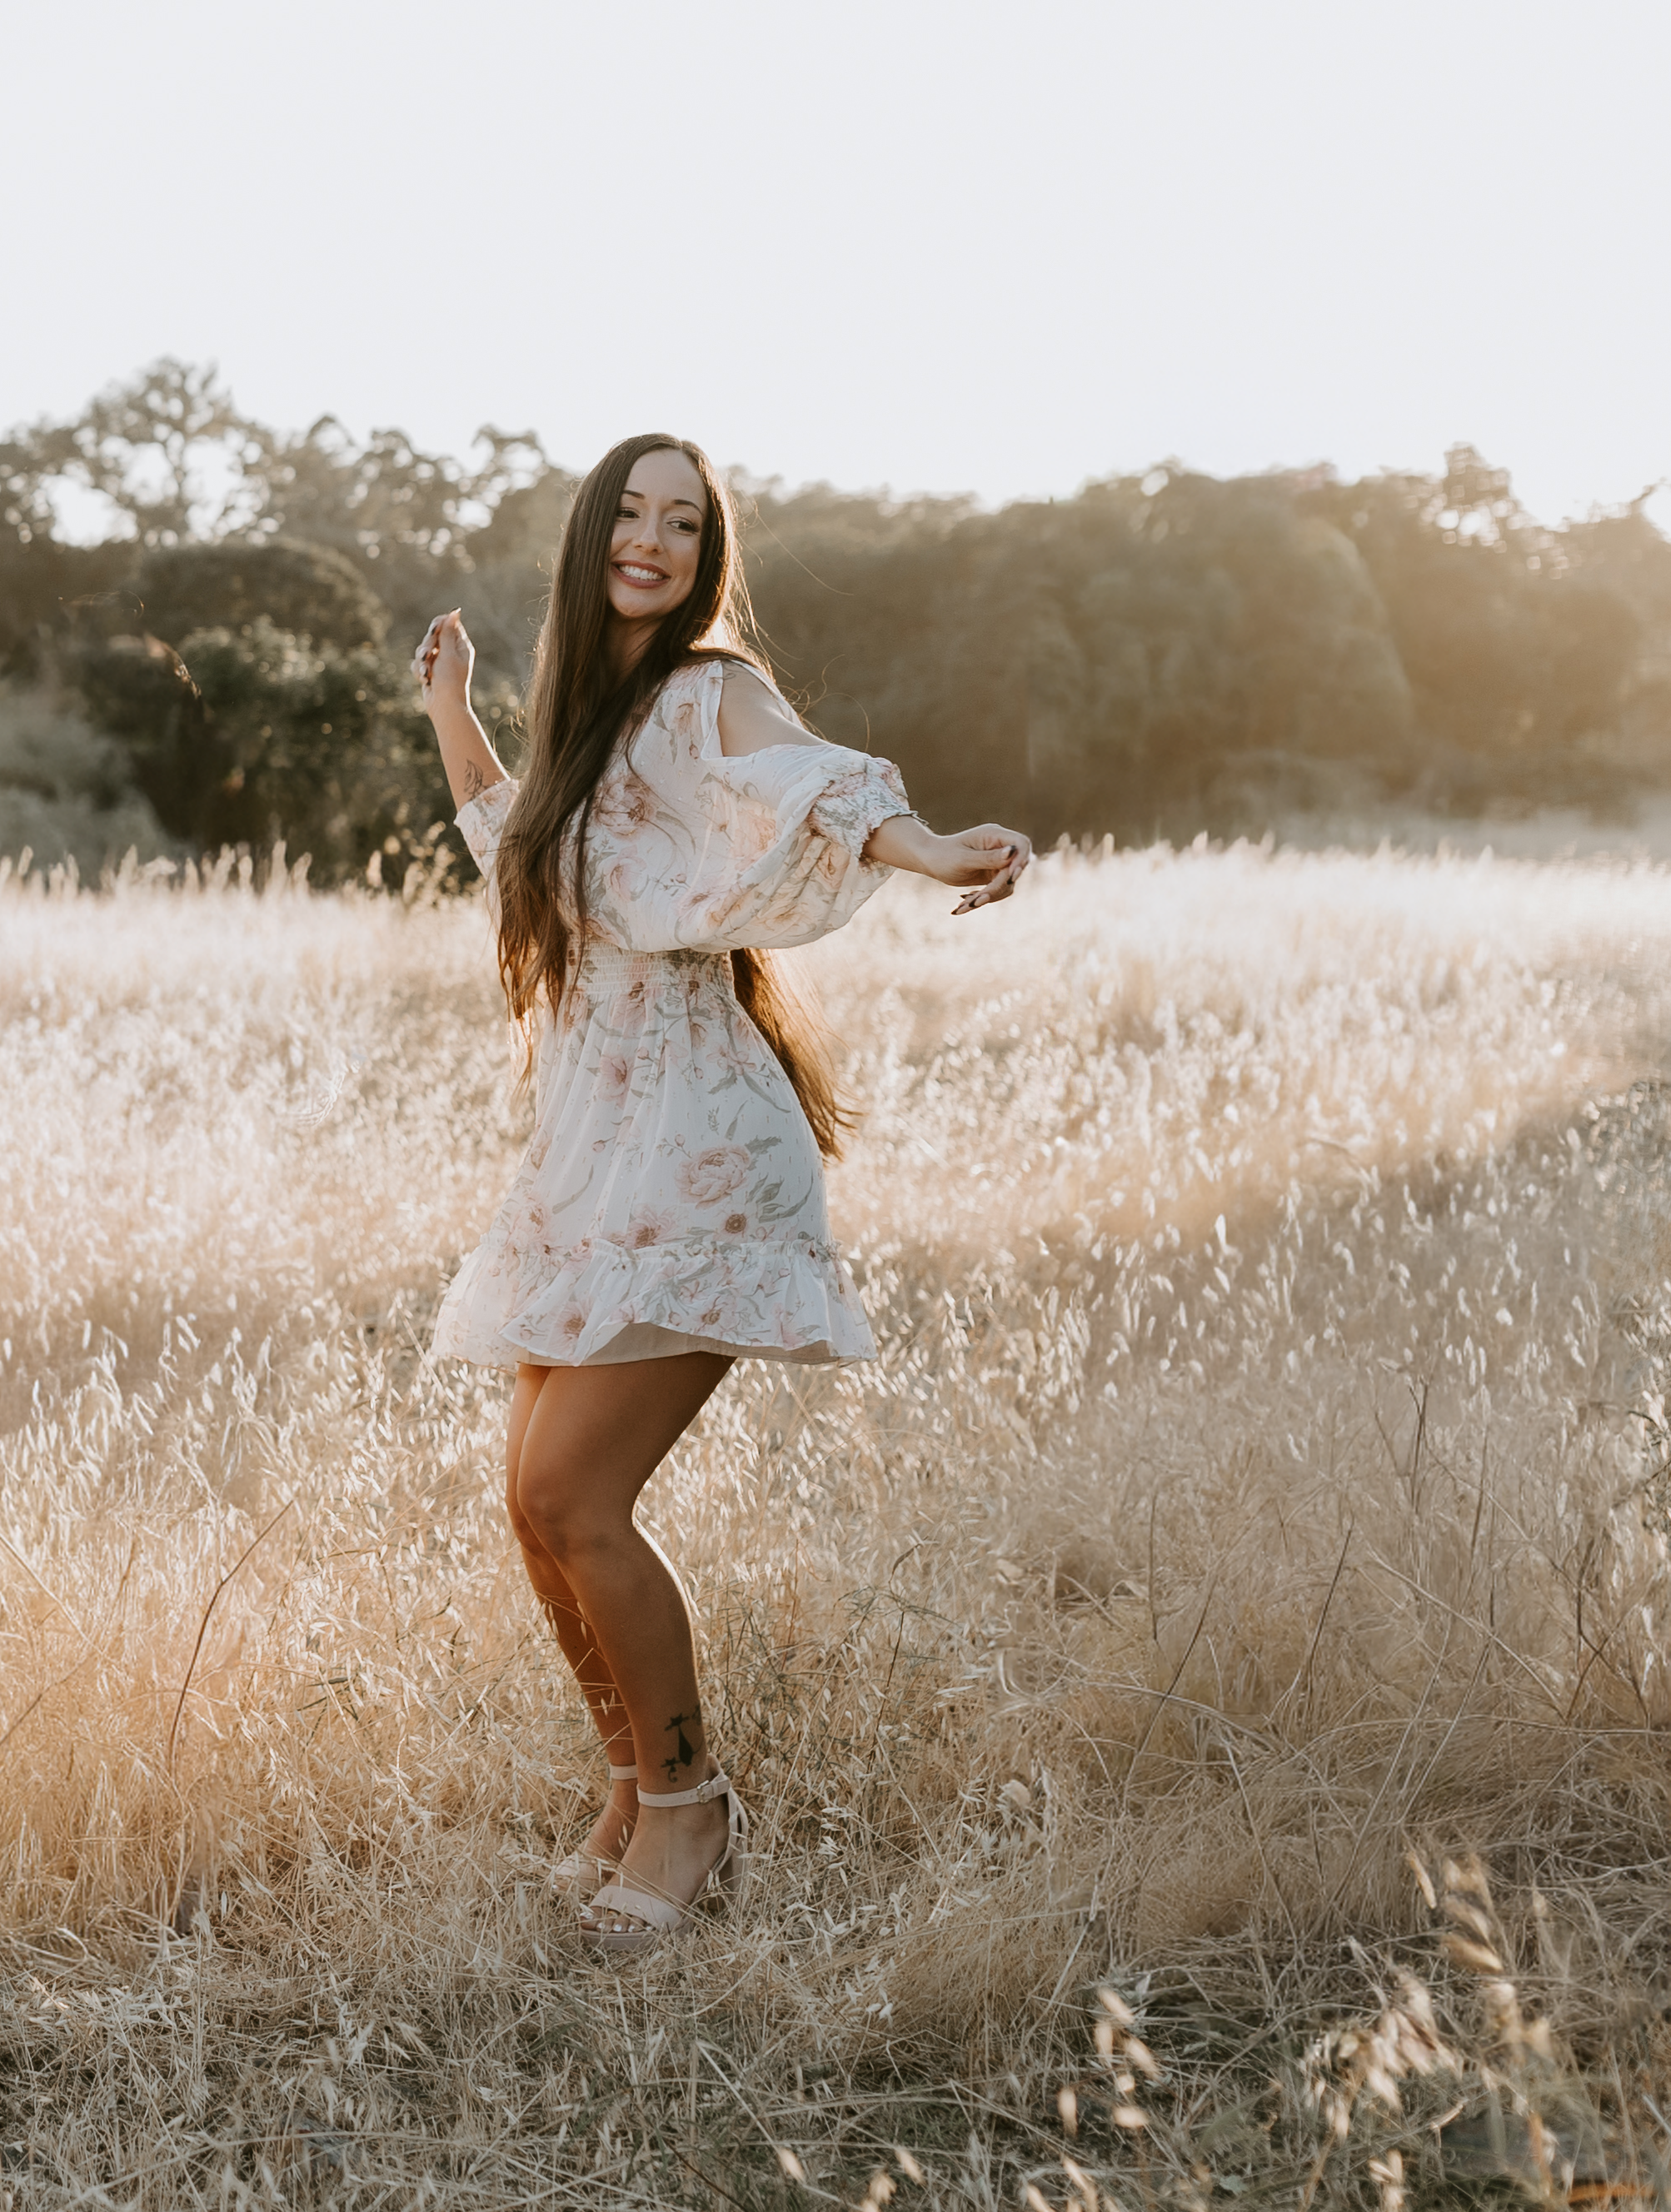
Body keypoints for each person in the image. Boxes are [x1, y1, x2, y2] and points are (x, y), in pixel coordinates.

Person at [415, 434, 1030, 1948]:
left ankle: (693, 1815)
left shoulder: (705, 692)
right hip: (587, 1150)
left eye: (684, 523)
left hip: (694, 1144)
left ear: (706, 557)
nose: (653, 539)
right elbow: (523, 852)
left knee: (575, 1492)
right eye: (630, 510)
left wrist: (931, 846)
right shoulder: (587, 718)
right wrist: (453, 717)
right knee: (527, 1507)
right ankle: (631, 1790)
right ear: (590, 532)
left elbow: (812, 785)